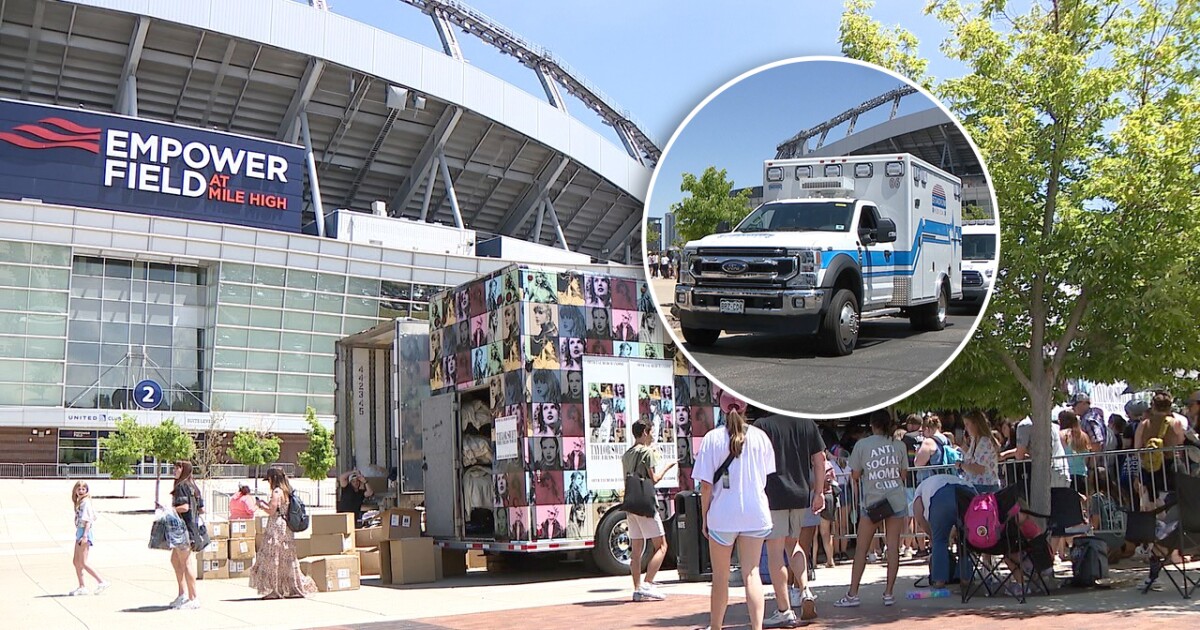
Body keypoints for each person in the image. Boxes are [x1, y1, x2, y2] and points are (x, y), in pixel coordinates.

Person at [692, 392, 776, 630]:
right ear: (745, 407)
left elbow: (706, 485)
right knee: (752, 573)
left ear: (721, 407)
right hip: (755, 512)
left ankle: (716, 626)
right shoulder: (760, 437)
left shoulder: (712, 439)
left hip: (723, 515)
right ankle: (757, 627)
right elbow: (765, 476)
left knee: (720, 577)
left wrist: (705, 516)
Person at [755, 411, 826, 627]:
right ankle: (805, 590)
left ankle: (784, 609)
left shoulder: (762, 425)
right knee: (793, 545)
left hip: (773, 493)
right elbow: (820, 459)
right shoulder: (807, 423)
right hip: (800, 493)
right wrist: (819, 492)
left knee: (775, 551)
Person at [836, 411, 908, 608]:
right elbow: (903, 475)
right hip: (895, 500)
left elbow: (855, 474)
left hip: (873, 501)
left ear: (872, 425)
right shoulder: (899, 445)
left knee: (861, 548)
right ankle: (889, 593)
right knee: (893, 547)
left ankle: (853, 593)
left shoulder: (862, 445)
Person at [621, 419, 677, 602]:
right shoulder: (647, 452)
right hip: (646, 504)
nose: (653, 435)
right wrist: (668, 466)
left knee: (636, 550)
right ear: (645, 432)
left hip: (631, 504)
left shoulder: (627, 454)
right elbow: (654, 479)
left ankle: (637, 589)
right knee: (661, 545)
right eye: (651, 432)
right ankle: (648, 583)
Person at [249, 467, 317, 599]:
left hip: (277, 526)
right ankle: (288, 587)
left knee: (273, 558)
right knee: (285, 559)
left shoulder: (277, 492)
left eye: (269, 479)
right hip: (286, 528)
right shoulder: (287, 491)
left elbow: (271, 511)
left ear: (273, 479)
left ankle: (275, 590)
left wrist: (260, 504)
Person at [910, 473, 974, 588]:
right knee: (966, 539)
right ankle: (966, 578)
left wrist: (931, 535)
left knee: (939, 540)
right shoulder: (945, 480)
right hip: (968, 492)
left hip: (940, 496)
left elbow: (919, 518)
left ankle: (940, 580)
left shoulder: (919, 491)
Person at [167, 461, 203, 609]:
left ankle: (193, 597)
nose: (174, 470)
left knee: (186, 562)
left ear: (184, 470)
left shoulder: (181, 486)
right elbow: (201, 508)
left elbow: (184, 507)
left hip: (183, 529)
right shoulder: (193, 486)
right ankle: (182, 594)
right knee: (175, 560)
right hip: (191, 527)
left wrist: (169, 510)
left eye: (178, 468)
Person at [69, 481, 109, 596]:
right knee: (76, 561)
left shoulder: (86, 502)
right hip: (79, 532)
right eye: (79, 489)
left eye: (83, 489)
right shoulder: (80, 502)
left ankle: (101, 582)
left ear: (87, 490)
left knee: (83, 562)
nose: (81, 491)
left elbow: (88, 521)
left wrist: (85, 536)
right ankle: (82, 586)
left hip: (84, 532)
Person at [960, 410, 1001, 494]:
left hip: (985, 487)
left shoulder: (985, 442)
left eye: (967, 424)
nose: (966, 428)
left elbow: (979, 468)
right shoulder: (974, 440)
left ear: (976, 424)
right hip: (975, 485)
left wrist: (961, 465)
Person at [1059, 410, 1091, 495]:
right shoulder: (1084, 436)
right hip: (1082, 473)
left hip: (1067, 474)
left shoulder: (1061, 435)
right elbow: (1087, 458)